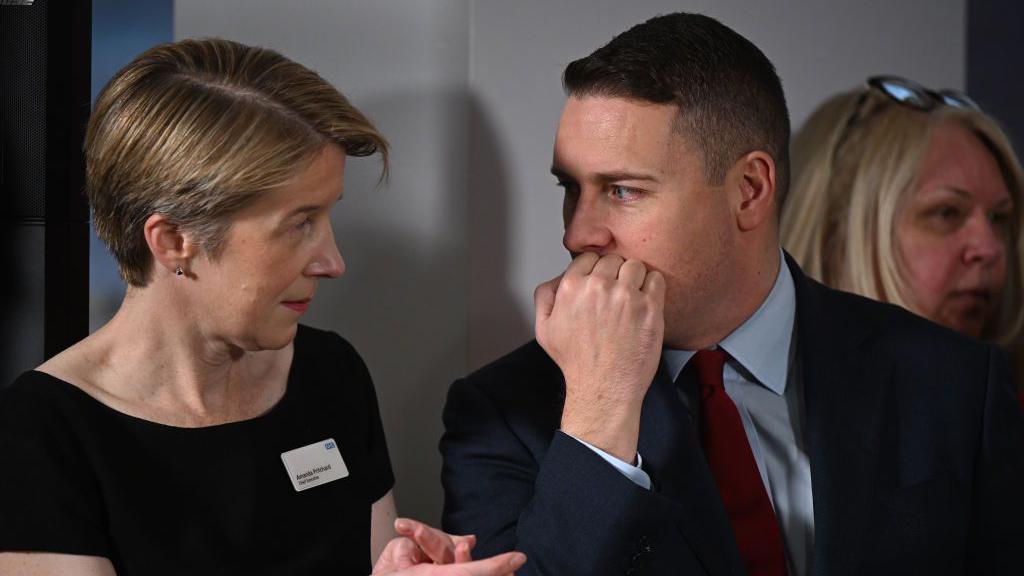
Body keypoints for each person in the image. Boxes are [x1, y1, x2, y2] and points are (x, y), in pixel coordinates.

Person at [440, 12, 1024, 576]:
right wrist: (599, 419)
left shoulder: (953, 382)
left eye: (622, 191)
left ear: (749, 191)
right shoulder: (503, 414)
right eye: (572, 188)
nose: (578, 233)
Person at [0, 38, 524, 576]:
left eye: (327, 217)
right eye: (299, 224)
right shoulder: (41, 437)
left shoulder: (330, 373)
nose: (332, 261)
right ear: (174, 240)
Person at [781, 77, 1024, 395]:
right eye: (946, 212)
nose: (990, 247)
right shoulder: (734, 414)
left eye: (998, 218)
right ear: (836, 236)